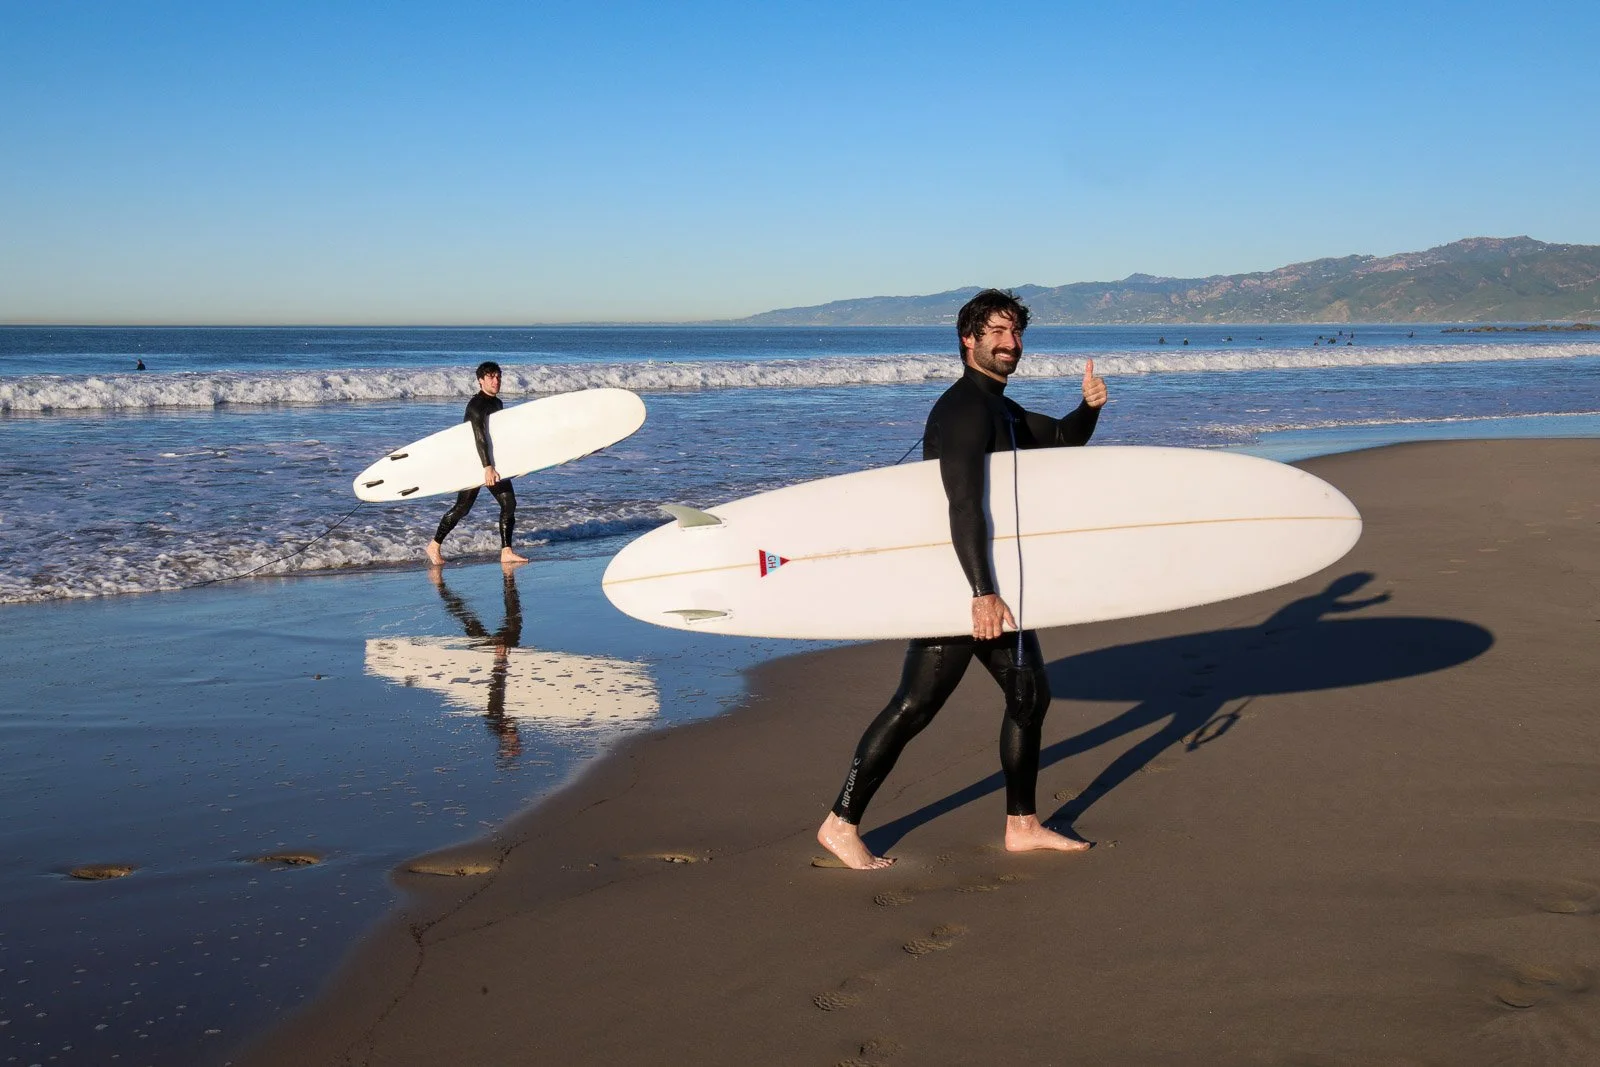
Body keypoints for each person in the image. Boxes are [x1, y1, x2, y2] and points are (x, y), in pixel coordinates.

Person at [816, 289, 1109, 870]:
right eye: (997, 332)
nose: (1010, 344)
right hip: (961, 583)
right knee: (915, 706)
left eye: (1016, 333)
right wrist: (980, 592)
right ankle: (839, 823)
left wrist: (1090, 408)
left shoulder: (999, 407)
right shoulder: (964, 411)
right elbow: (964, 504)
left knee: (1027, 694)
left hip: (982, 579)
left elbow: (1059, 442)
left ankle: (1022, 825)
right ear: (968, 340)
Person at [425, 361, 529, 566]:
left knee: (509, 503)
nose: (496, 380)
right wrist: (487, 467)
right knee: (462, 508)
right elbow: (479, 437)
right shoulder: (477, 405)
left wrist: (516, 463)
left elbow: (497, 437)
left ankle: (506, 551)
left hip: (492, 462)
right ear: (480, 381)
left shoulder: (497, 403)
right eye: (491, 377)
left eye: (498, 376)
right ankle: (434, 545)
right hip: (475, 463)